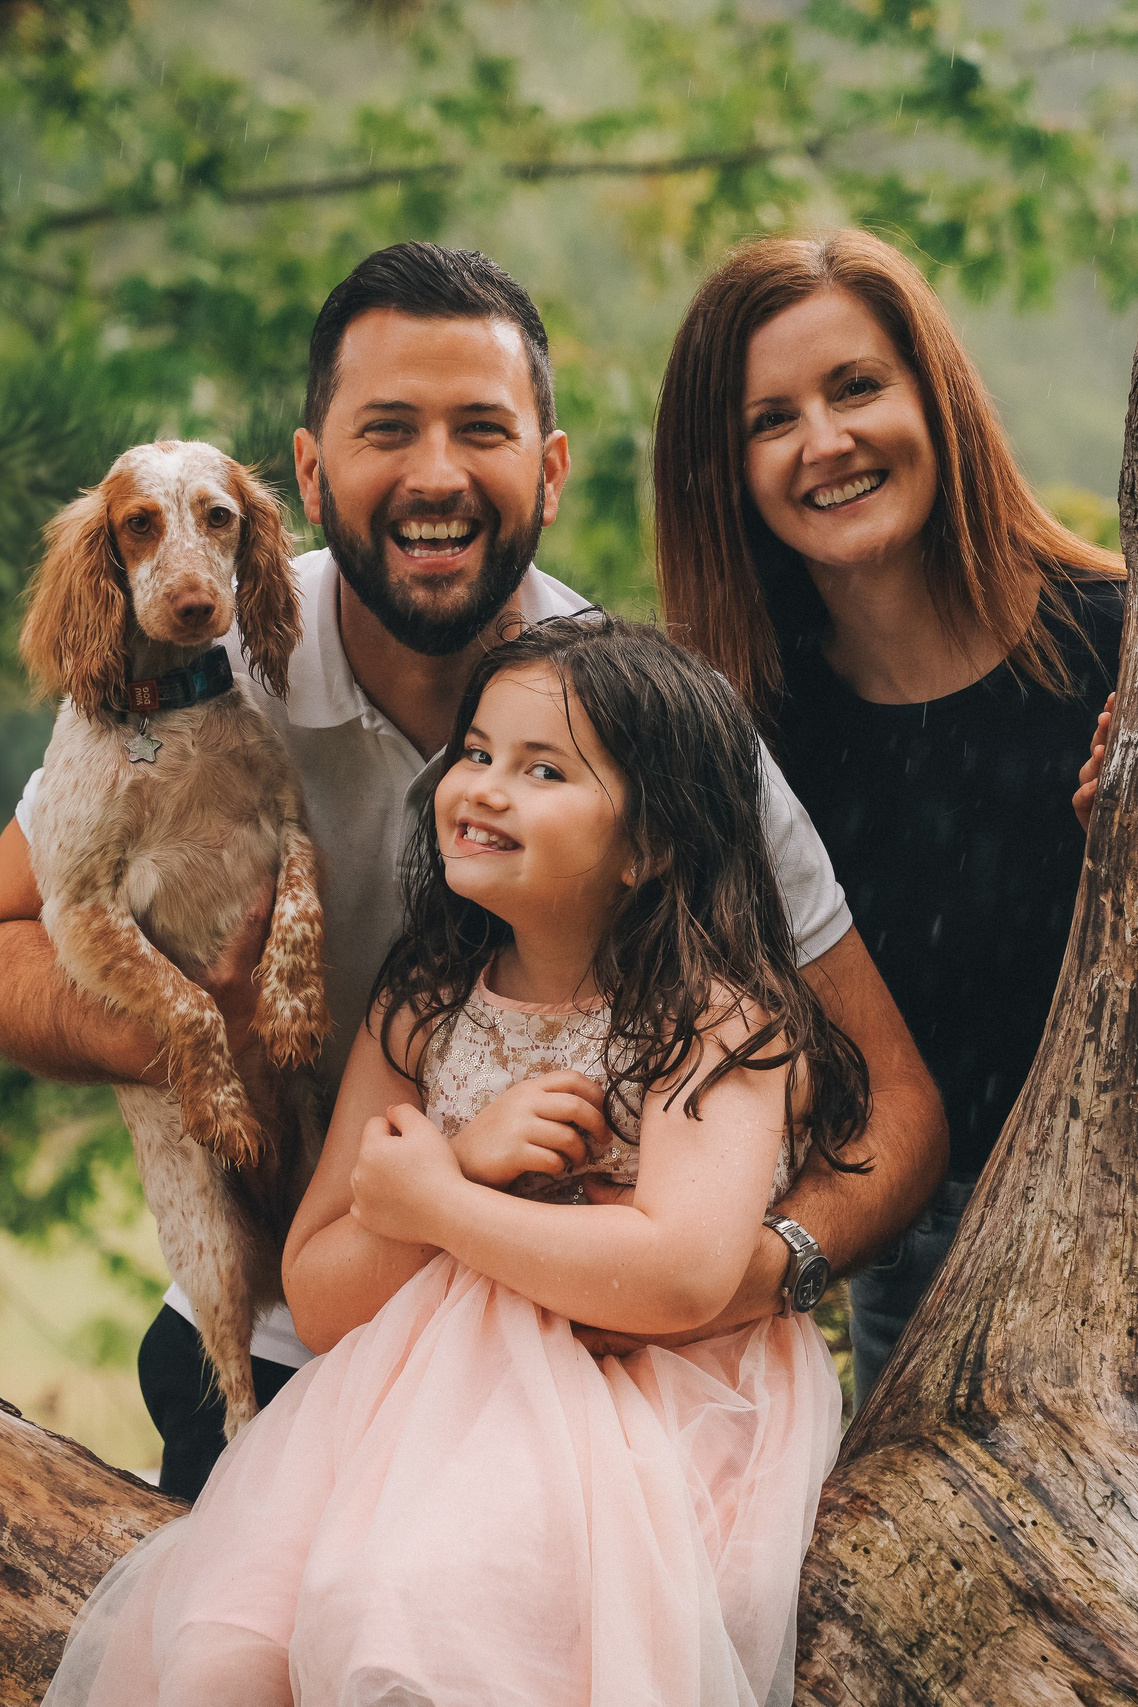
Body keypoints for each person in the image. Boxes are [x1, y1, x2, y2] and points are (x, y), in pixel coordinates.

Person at [0, 242, 945, 1496]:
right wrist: (185, 1032)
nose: (435, 476)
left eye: (482, 430)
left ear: (547, 472)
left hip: (610, 1397)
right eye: (387, 428)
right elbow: (16, 919)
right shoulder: (198, 669)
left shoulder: (659, 727)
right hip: (289, 1348)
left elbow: (898, 1105)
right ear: (308, 468)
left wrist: (730, 1277)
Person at [44, 615, 872, 1707]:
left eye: (542, 769)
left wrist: (444, 1202)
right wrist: (462, 1172)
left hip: (648, 1424)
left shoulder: (711, 1025)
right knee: (241, 1636)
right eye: (475, 753)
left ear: (651, 842)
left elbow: (679, 1272)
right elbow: (324, 1294)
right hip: (409, 1407)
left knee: (425, 1610)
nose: (482, 787)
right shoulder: (426, 1006)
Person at [653, 228, 1124, 1406]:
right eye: (771, 419)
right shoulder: (736, 743)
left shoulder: (1116, 650)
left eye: (856, 386)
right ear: (727, 470)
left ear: (937, 398)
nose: (826, 442)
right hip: (912, 1277)